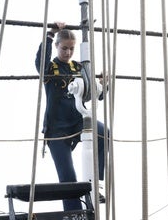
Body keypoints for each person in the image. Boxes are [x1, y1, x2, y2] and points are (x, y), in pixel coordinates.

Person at [35, 22, 106, 211]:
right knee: (68, 178)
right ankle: (74, 214)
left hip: (77, 123)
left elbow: (95, 94)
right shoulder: (50, 69)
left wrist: (102, 85)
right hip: (56, 130)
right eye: (64, 48)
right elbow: (39, 63)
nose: (68, 52)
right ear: (57, 46)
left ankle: (96, 184)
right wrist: (50, 35)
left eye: (71, 49)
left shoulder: (79, 68)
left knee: (103, 133)